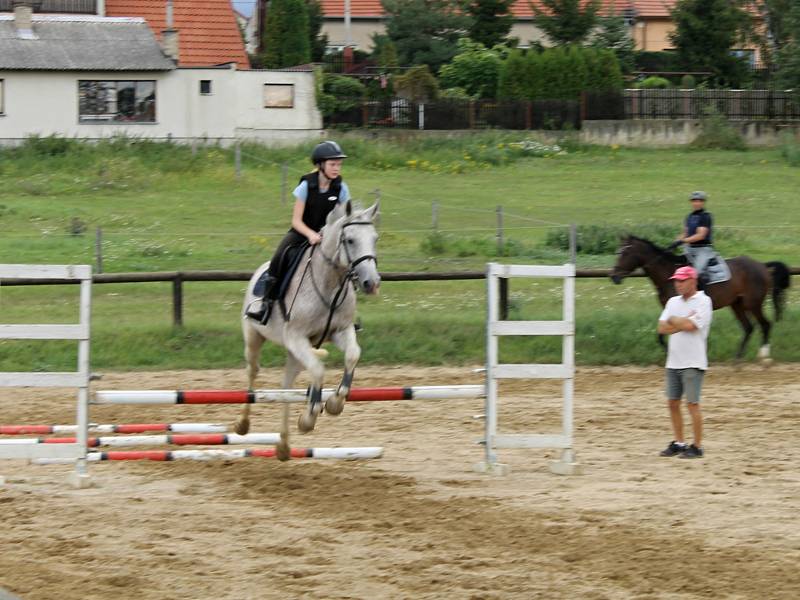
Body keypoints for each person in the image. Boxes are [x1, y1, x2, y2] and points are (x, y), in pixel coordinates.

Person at [246, 140, 350, 323]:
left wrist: (330, 234)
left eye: (339, 164)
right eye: (333, 164)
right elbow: (296, 220)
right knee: (279, 257)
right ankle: (266, 304)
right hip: (302, 232)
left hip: (327, 236)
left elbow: (344, 218)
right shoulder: (306, 186)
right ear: (320, 165)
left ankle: (346, 313)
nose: (337, 168)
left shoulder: (341, 188)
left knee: (347, 261)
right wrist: (310, 234)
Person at [657, 265, 713, 459]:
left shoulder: (704, 301)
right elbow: (662, 328)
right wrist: (679, 321)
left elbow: (691, 326)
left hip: (693, 360)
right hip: (674, 360)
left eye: (682, 281)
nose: (678, 284)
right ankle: (679, 442)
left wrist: (675, 321)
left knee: (692, 404)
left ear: (692, 280)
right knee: (672, 403)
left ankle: (697, 445)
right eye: (676, 281)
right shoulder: (673, 301)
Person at [675, 191, 715, 283]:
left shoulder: (705, 216)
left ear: (703, 202)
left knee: (697, 272)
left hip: (703, 249)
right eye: (694, 201)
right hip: (689, 248)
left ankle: (702, 295)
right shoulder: (689, 216)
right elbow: (685, 233)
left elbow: (701, 235)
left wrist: (684, 241)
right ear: (691, 202)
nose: (696, 203)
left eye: (699, 201)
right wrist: (676, 241)